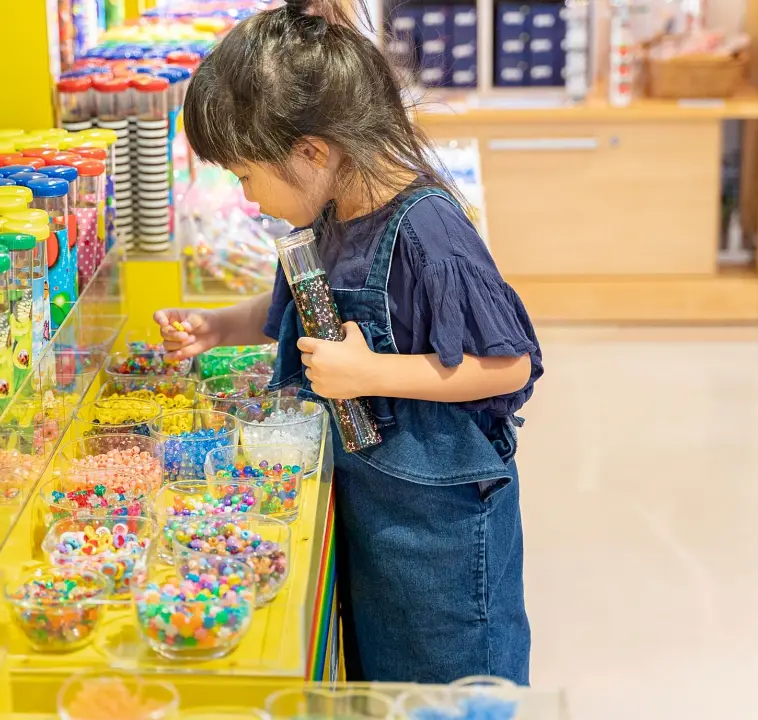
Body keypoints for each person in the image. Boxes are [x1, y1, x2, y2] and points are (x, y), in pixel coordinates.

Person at [152, 0, 543, 685]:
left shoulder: (428, 234)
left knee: (448, 692)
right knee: (384, 683)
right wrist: (222, 326)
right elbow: (307, 310)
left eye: (245, 175)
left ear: (312, 152)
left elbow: (507, 365)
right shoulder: (329, 213)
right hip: (374, 512)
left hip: (442, 539)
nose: (247, 198)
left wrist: (371, 373)